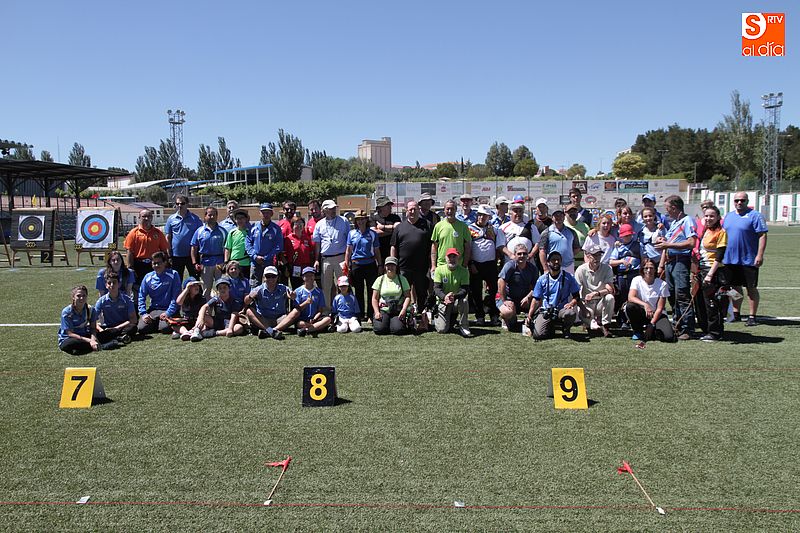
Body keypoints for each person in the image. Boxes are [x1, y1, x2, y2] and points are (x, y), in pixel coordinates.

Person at [655, 195, 697, 340]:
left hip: (681, 260)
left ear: (674, 207)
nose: (666, 211)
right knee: (672, 295)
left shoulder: (687, 220)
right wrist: (664, 241)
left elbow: (691, 242)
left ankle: (688, 328)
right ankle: (677, 325)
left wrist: (669, 245)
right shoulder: (674, 223)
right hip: (670, 261)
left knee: (682, 294)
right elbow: (671, 241)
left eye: (667, 208)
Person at [723, 192, 768, 326]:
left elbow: (762, 235)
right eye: (737, 200)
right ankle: (736, 312)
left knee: (751, 288)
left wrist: (759, 255)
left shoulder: (755, 215)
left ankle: (752, 316)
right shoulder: (729, 216)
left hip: (749, 259)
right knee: (734, 288)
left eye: (742, 200)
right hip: (730, 259)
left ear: (747, 201)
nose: (739, 203)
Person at [391, 200, 434, 321]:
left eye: (415, 209)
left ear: (418, 210)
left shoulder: (427, 224)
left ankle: (422, 317)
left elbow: (433, 245)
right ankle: (401, 316)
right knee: (403, 293)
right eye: (410, 209)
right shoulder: (400, 227)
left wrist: (432, 263)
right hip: (404, 268)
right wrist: (393, 263)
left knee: (421, 293)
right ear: (406, 211)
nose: (412, 211)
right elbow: (393, 246)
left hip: (422, 267)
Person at [527, 251, 585, 340]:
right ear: (548, 262)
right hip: (546, 310)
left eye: (558, 260)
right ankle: (549, 328)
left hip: (562, 309)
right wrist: (530, 314)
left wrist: (571, 304)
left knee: (570, 313)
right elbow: (536, 298)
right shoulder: (542, 279)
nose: (556, 262)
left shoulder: (569, 277)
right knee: (538, 335)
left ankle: (566, 329)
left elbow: (576, 296)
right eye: (553, 260)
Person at [468, 204, 505, 326]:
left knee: (493, 291)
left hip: (491, 265)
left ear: (489, 217)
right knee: (476, 292)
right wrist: (470, 263)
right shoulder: (470, 229)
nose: (481, 217)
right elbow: (467, 248)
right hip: (475, 265)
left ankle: (493, 314)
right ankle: (480, 316)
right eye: (479, 215)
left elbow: (499, 247)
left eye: (484, 215)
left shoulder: (495, 229)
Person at [697, 205, 729, 342]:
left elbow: (720, 255)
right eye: (706, 216)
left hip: (712, 270)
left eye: (712, 216)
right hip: (702, 268)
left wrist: (710, 274)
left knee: (712, 303)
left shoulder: (721, 232)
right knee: (701, 303)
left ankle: (715, 332)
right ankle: (707, 330)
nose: (708, 218)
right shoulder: (706, 230)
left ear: (718, 217)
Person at [625, 258, 674, 342]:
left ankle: (653, 330)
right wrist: (645, 305)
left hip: (657, 314)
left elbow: (660, 308)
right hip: (642, 312)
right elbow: (631, 297)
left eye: (651, 268)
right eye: (646, 268)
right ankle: (638, 331)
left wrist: (652, 324)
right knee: (630, 306)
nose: (649, 270)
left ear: (655, 269)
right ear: (642, 269)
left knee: (668, 337)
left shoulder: (662, 284)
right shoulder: (636, 280)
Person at [312, 199, 350, 307]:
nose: (333, 210)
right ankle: (327, 311)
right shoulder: (319, 224)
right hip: (326, 259)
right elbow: (317, 245)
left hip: (341, 258)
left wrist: (348, 259)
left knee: (344, 284)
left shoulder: (344, 221)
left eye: (334, 208)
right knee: (326, 287)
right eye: (330, 209)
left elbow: (348, 241)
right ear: (324, 210)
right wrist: (316, 260)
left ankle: (345, 309)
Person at [346, 210, 381, 321]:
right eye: (358, 219)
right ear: (356, 221)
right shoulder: (351, 233)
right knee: (359, 291)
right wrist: (347, 266)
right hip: (356, 265)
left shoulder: (372, 233)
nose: (360, 221)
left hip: (370, 264)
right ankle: (360, 314)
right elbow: (348, 251)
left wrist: (380, 265)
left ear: (366, 220)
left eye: (363, 219)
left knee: (371, 290)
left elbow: (377, 251)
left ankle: (371, 314)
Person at [574, 246, 615, 338]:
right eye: (594, 255)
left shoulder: (607, 268)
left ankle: (606, 325)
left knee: (610, 298)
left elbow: (610, 289)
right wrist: (582, 306)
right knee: (592, 326)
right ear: (588, 256)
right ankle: (590, 323)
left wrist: (596, 293)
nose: (597, 258)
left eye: (599, 255)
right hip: (587, 303)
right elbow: (576, 291)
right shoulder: (581, 270)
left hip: (600, 301)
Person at [137, 251, 182, 335]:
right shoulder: (148, 277)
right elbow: (141, 296)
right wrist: (144, 314)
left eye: (159, 263)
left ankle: (160, 323)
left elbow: (175, 297)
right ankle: (156, 322)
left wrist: (168, 313)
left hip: (169, 309)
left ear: (165, 263)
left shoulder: (173, 275)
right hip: (154, 309)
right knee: (141, 329)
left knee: (165, 328)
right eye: (154, 263)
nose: (156, 265)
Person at [497, 243, 539, 331]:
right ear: (515, 255)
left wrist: (528, 297)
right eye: (519, 254)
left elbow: (536, 287)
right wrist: (504, 300)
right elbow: (501, 282)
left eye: (524, 253)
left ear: (528, 255)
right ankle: (506, 318)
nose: (522, 256)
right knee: (507, 313)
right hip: (508, 298)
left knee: (540, 303)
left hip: (523, 299)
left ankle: (530, 319)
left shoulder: (533, 268)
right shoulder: (509, 266)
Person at [243, 265, 292, 340]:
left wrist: (292, 296)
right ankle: (272, 331)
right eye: (268, 276)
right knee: (249, 311)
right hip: (263, 320)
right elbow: (246, 302)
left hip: (280, 319)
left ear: (277, 277)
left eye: (273, 276)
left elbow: (292, 295)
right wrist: (250, 297)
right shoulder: (258, 289)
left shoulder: (283, 288)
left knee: (295, 312)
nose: (271, 279)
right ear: (264, 277)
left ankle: (270, 331)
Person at [124, 209, 169, 289]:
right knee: (137, 290)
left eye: (149, 216)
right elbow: (129, 252)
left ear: (152, 218)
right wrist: (131, 268)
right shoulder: (133, 233)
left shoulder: (158, 233)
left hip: (154, 265)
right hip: (139, 265)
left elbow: (164, 251)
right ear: (139, 218)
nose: (146, 218)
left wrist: (166, 265)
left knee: (156, 288)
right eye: (144, 216)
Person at [433, 248, 472, 337]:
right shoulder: (439, 270)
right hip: (443, 302)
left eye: (454, 257)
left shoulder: (464, 271)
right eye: (449, 257)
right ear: (445, 258)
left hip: (456, 301)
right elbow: (437, 289)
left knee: (464, 301)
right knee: (442, 330)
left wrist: (454, 296)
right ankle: (437, 318)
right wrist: (445, 297)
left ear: (458, 258)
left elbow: (465, 290)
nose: (452, 259)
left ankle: (464, 326)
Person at [190, 206, 228, 298]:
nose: (211, 217)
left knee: (222, 287)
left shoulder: (223, 231)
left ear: (217, 216)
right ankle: (207, 310)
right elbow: (193, 248)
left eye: (214, 215)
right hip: (206, 263)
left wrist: (226, 262)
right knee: (206, 289)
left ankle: (221, 309)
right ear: (205, 216)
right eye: (209, 215)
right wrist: (195, 263)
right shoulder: (199, 231)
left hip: (220, 263)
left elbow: (227, 248)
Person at [609, 223, 641, 328]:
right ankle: (622, 319)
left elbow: (644, 258)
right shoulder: (619, 247)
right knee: (622, 297)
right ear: (621, 236)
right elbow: (611, 261)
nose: (627, 237)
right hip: (622, 276)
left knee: (634, 297)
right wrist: (621, 261)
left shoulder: (638, 245)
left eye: (629, 235)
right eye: (625, 235)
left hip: (634, 274)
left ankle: (635, 319)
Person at [285, 266, 332, 337]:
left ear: (314, 277)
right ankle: (316, 327)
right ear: (303, 277)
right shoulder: (298, 291)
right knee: (300, 324)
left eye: (311, 275)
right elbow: (297, 309)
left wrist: (314, 318)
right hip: (302, 319)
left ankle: (306, 330)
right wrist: (306, 303)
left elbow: (320, 310)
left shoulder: (319, 292)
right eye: (307, 276)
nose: (309, 278)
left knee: (328, 319)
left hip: (315, 318)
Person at [164, 195, 203, 280]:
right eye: (177, 203)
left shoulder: (195, 219)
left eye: (182, 203)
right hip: (176, 255)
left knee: (195, 278)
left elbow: (201, 236)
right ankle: (178, 293)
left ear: (187, 204)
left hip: (191, 255)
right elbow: (168, 237)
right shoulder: (171, 219)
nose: (179, 206)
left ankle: (197, 293)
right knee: (176, 279)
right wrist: (169, 253)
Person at [247, 203, 284, 288]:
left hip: (269, 262)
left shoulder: (276, 228)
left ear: (272, 214)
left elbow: (279, 246)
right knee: (254, 286)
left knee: (270, 285)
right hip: (255, 262)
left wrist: (266, 257)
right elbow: (248, 243)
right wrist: (255, 256)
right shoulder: (253, 227)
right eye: (264, 212)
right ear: (260, 213)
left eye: (268, 212)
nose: (266, 215)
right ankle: (255, 302)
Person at [371, 256, 411, 335]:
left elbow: (408, 297)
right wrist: (376, 312)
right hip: (384, 309)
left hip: (397, 310)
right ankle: (386, 323)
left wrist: (404, 310)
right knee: (380, 330)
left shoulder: (402, 279)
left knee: (398, 330)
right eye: (388, 265)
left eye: (392, 265)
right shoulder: (380, 279)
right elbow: (374, 298)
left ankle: (393, 323)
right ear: (385, 267)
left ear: (396, 266)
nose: (390, 267)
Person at [94, 273, 137, 346]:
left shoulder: (127, 300)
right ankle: (119, 338)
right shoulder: (101, 301)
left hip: (122, 326)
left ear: (119, 284)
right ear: (106, 285)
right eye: (109, 283)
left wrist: (116, 328)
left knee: (133, 328)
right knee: (94, 332)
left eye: (114, 282)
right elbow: (92, 320)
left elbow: (133, 320)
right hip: (108, 327)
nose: (111, 285)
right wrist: (101, 330)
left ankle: (112, 338)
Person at [58, 285, 101, 355]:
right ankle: (101, 345)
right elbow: (70, 333)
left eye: (84, 295)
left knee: (104, 334)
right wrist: (90, 340)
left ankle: (85, 348)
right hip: (69, 338)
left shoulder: (91, 309)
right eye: (78, 296)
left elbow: (93, 328)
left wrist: (93, 339)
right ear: (73, 297)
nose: (81, 298)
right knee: (68, 344)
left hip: (84, 335)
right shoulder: (67, 312)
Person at [538, 207, 581, 275]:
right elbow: (542, 251)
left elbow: (577, 248)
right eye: (556, 215)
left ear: (564, 217)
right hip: (552, 266)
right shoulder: (546, 232)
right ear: (552, 217)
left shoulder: (572, 232)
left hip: (568, 266)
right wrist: (545, 268)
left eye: (560, 215)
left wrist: (568, 255)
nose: (558, 217)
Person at [431, 200, 472, 269]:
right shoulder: (438, 226)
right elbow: (434, 247)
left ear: (456, 210)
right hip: (442, 265)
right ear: (444, 210)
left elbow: (467, 247)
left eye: (452, 209)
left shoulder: (463, 226)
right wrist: (433, 265)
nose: (450, 211)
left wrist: (464, 264)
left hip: (458, 265)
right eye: (448, 209)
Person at [284, 215, 316, 289]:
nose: (299, 226)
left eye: (301, 224)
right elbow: (283, 255)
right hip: (295, 268)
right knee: (296, 288)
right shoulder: (288, 239)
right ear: (292, 226)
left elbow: (311, 253)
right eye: (296, 224)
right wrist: (286, 267)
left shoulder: (307, 238)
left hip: (306, 268)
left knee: (307, 288)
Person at [370, 196, 401, 263]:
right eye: (387, 205)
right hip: (379, 253)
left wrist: (382, 227)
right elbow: (374, 233)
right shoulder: (373, 218)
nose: (390, 207)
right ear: (380, 208)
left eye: (390, 205)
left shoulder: (395, 217)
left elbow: (399, 228)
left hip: (394, 252)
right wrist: (393, 230)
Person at [224, 208, 253, 279]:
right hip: (234, 264)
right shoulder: (232, 232)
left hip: (246, 263)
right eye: (238, 218)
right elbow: (228, 248)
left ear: (246, 219)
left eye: (242, 218)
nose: (240, 220)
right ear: (235, 220)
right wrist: (226, 261)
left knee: (245, 283)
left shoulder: (250, 232)